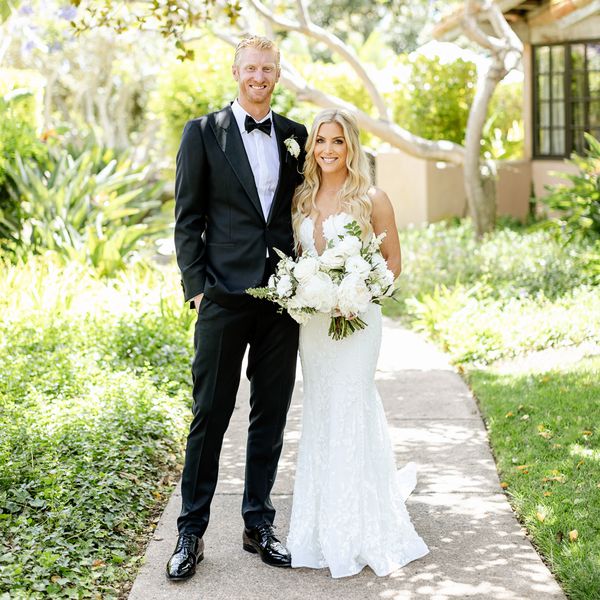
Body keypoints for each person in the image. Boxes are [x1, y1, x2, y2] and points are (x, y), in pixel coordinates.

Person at [167, 35, 308, 581]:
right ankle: (190, 531)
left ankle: (259, 523)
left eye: (267, 68)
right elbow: (187, 218)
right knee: (210, 415)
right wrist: (196, 286)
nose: (258, 76)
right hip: (223, 298)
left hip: (281, 301)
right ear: (235, 72)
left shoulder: (296, 136)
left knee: (270, 415)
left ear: (277, 74)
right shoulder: (203, 134)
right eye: (250, 67)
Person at [286, 108, 429, 578]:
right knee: (323, 410)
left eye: (338, 142)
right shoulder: (302, 198)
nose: (328, 150)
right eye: (321, 141)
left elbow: (392, 262)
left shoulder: (372, 198)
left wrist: (360, 293)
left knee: (352, 405)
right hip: (315, 327)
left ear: (352, 147)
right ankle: (321, 524)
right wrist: (304, 292)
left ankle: (361, 527)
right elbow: (301, 260)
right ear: (312, 148)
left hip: (357, 322)